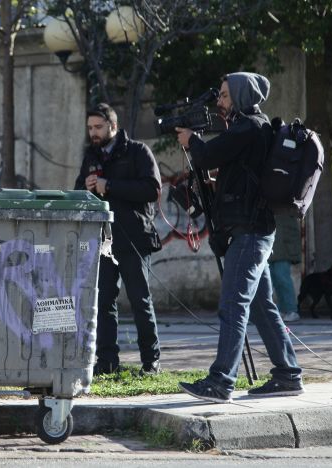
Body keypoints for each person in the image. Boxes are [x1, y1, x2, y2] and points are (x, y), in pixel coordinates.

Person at [175, 72, 304, 403]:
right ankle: (288, 374)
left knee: (233, 304)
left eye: (225, 96)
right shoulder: (252, 129)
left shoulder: (249, 126)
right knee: (262, 306)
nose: (220, 102)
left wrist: (191, 139)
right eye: (220, 96)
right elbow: (237, 172)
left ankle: (220, 381)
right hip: (253, 232)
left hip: (250, 234)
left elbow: (206, 155)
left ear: (242, 97)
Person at [74, 103, 163, 377]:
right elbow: (78, 193)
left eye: (98, 127)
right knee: (103, 302)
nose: (93, 133)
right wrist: (86, 188)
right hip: (103, 242)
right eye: (90, 128)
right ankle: (107, 362)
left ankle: (151, 362)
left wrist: (109, 186)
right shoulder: (91, 156)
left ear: (113, 126)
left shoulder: (137, 152)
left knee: (140, 301)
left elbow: (152, 189)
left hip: (134, 239)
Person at [269, 213, 302, 322]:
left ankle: (291, 310)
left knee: (282, 279)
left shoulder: (286, 212)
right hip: (272, 250)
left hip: (282, 251)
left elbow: (291, 233)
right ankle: (284, 309)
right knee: (275, 280)